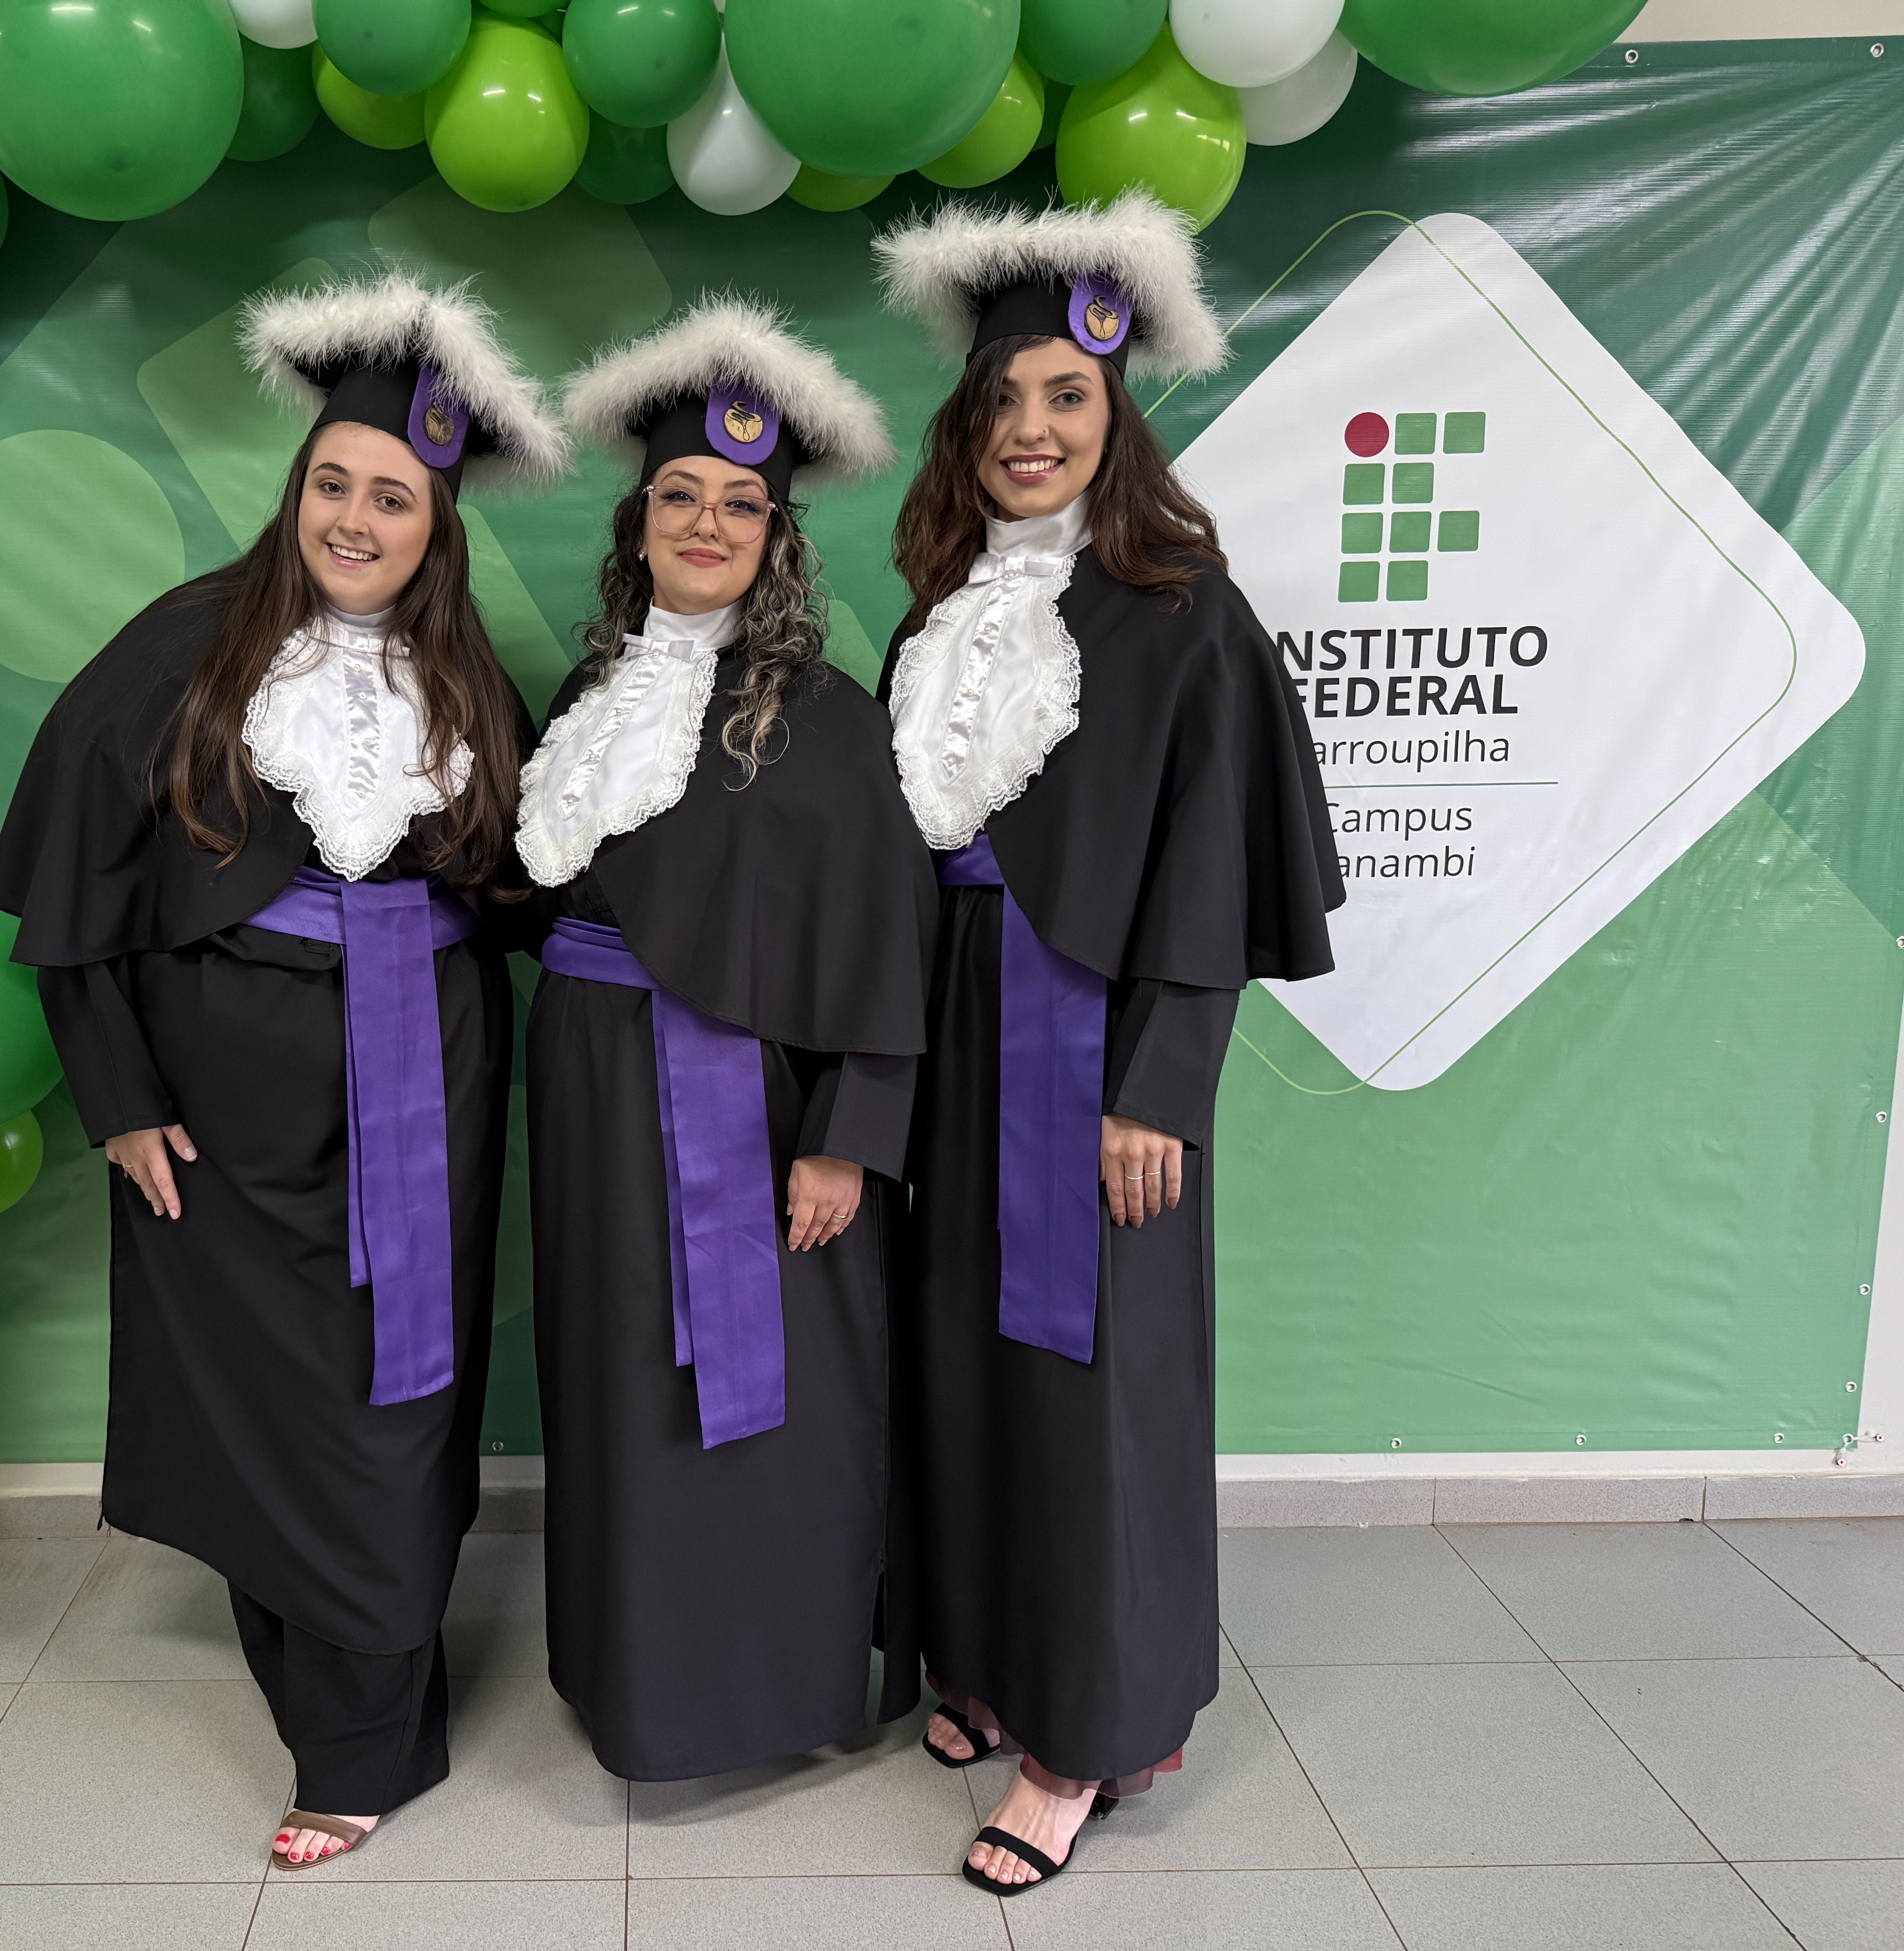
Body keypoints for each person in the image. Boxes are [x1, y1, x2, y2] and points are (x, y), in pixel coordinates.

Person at [0, 273, 568, 1869]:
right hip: (224, 1119)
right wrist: (118, 1098)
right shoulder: (183, 646)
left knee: (396, 1400)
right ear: (297, 487)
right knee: (263, 1408)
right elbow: (72, 907)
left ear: (438, 526)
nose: (355, 520)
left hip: (430, 1082)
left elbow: (532, 882)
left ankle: (360, 1742)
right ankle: (340, 1710)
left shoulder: (469, 679)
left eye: (393, 498)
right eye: (333, 484)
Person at [868, 197, 1343, 1895]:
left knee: (1093, 1397)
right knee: (965, 1366)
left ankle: (1086, 1734)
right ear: (966, 426)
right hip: (948, 1042)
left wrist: (1160, 1088)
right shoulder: (934, 614)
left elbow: (1212, 867)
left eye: (1065, 397)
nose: (1031, 429)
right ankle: (997, 1656)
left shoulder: (1182, 609)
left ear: (1117, 414)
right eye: (1003, 400)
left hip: (1091, 1053)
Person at [521, 296, 938, 1781]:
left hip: (755, 1118)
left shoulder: (826, 717)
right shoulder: (585, 699)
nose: (708, 523)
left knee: (762, 1414)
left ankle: (763, 1693)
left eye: (741, 504)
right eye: (681, 497)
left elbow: (891, 943)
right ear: (638, 525)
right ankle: (631, 1681)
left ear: (776, 538)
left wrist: (847, 1139)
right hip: (587, 1098)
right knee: (617, 1387)